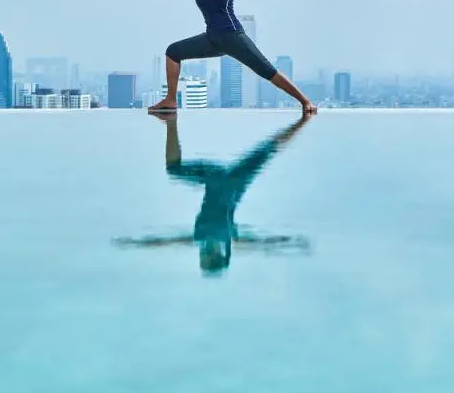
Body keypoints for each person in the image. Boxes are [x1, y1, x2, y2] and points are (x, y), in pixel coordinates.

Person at [110, 0, 318, 114]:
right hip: (212, 39)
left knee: (266, 70)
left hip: (234, 36)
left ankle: (305, 101)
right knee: (173, 51)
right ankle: (171, 100)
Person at [112, 111, 314, 275]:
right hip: (218, 180)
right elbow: (165, 242)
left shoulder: (230, 240)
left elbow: (263, 245)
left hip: (237, 182)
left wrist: (289, 243)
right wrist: (135, 243)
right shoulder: (206, 239)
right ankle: (170, 122)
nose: (201, 258)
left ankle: (304, 119)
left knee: (268, 149)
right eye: (204, 261)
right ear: (211, 257)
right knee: (174, 169)